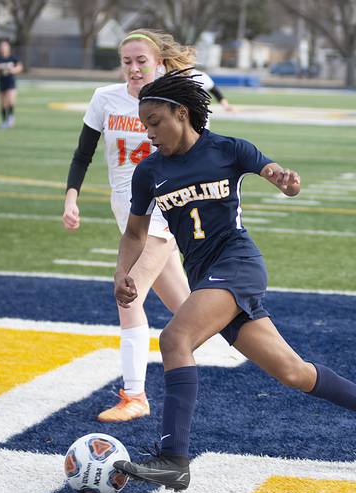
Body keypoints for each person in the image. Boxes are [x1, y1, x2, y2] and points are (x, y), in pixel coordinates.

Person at [111, 70, 356, 491]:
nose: (149, 133)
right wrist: (123, 273)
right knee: (293, 373)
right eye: (144, 124)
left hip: (237, 264)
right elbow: (134, 233)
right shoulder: (148, 172)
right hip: (206, 278)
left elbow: (274, 172)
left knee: (174, 339)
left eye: (155, 122)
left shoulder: (229, 149)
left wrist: (286, 182)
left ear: (182, 113)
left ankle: (174, 458)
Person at [63, 29, 230, 423]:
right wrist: (71, 197)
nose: (134, 68)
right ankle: (249, 339)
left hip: (164, 212)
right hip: (130, 214)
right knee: (188, 308)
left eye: (142, 60)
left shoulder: (177, 101)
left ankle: (135, 395)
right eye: (127, 61)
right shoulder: (105, 98)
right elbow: (82, 154)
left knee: (128, 293)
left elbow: (202, 150)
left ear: (158, 62)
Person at [0, 40, 23, 128]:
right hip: (2, 83)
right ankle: (4, 121)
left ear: (8, 47)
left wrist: (13, 70)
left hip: (11, 82)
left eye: (4, 46)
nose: (3, 48)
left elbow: (20, 67)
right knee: (2, 104)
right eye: (1, 46)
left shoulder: (13, 58)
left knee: (11, 100)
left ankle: (11, 117)